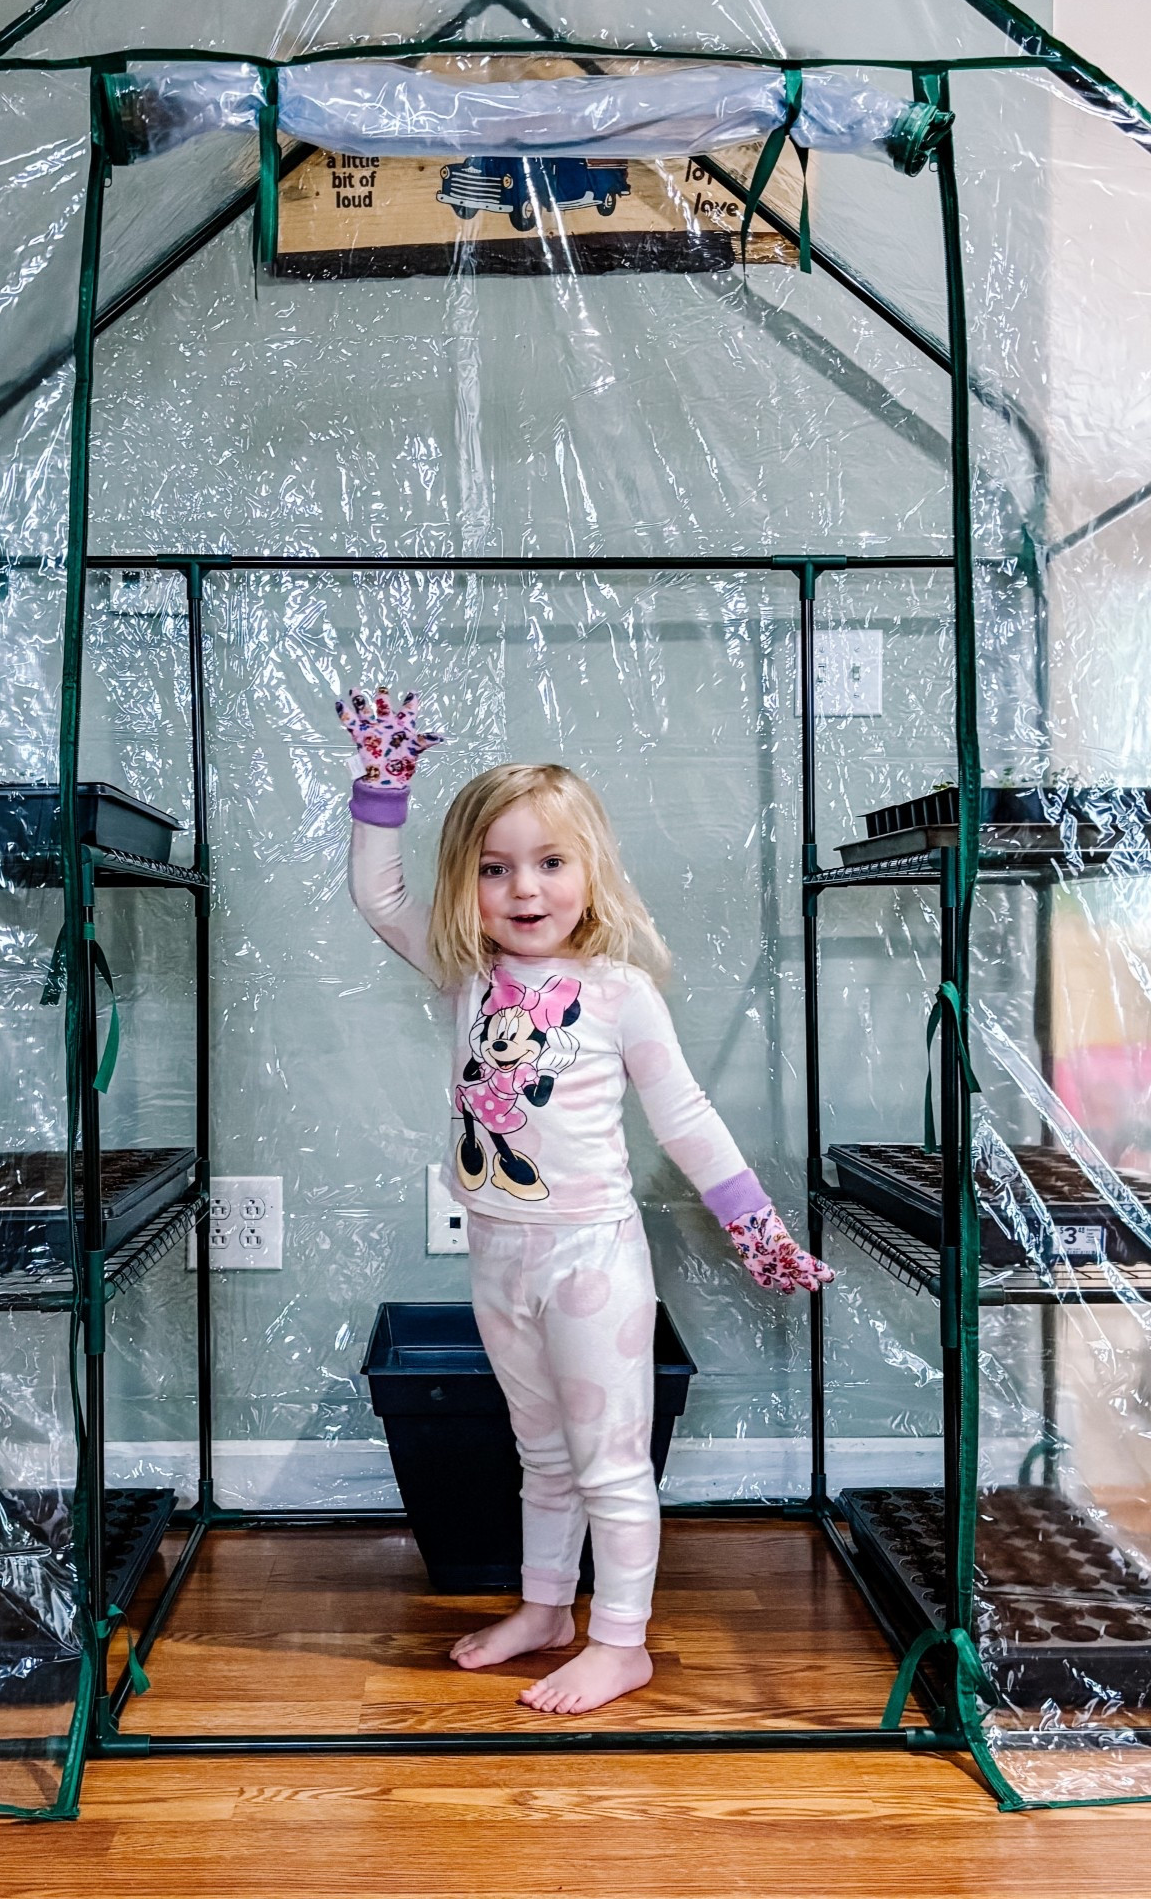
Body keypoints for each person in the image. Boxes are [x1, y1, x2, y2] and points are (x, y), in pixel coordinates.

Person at [339, 685, 831, 1715]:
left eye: (549, 861)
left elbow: (685, 1117)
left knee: (610, 1464)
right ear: (465, 885)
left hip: (589, 1260)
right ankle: (546, 1609)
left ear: (589, 871)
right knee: (540, 1454)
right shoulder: (463, 974)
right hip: (498, 1250)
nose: (523, 887)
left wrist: (753, 1223)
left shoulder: (616, 991)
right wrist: (383, 787)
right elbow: (377, 896)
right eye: (493, 866)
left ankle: (620, 1641)